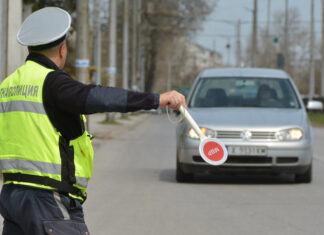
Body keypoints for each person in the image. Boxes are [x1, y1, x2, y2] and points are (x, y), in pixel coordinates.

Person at [0, 7, 186, 235]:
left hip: (12, 197)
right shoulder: (53, 83)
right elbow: (100, 98)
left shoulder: (7, 86)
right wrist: (157, 99)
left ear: (29, 48)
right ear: (62, 49)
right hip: (49, 201)